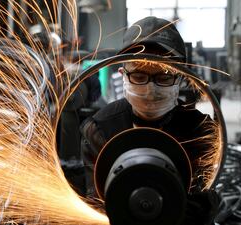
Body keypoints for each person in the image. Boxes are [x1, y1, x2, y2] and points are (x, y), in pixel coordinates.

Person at [80, 16, 219, 225]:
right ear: (123, 74)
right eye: (139, 76)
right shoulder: (99, 130)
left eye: (163, 77)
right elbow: (95, 205)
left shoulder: (202, 132)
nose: (150, 90)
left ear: (181, 77)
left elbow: (207, 197)